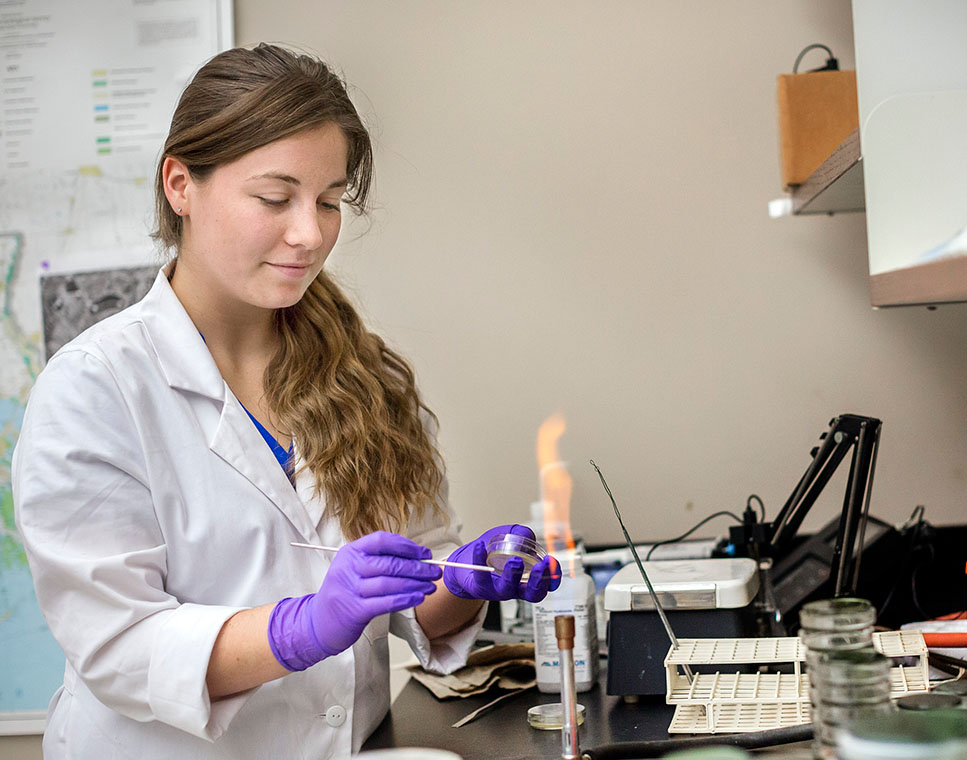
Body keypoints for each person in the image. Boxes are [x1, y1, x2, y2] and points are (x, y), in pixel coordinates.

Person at [13, 43, 559, 759]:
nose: (310, 233)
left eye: (329, 201)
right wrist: (297, 629)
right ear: (181, 183)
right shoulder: (94, 390)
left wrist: (464, 578)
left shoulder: (363, 375)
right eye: (275, 198)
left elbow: (416, 589)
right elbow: (119, 645)